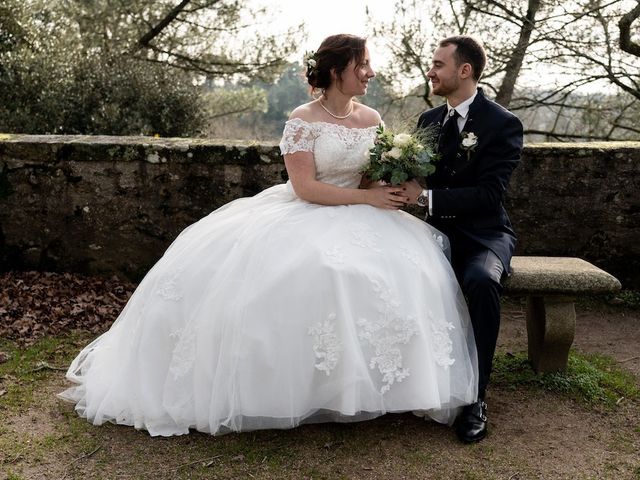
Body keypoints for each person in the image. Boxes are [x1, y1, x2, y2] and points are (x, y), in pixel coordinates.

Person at [59, 34, 478, 437]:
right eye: (362, 64)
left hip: (363, 215)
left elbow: (368, 179)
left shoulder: (372, 120)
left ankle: (384, 386)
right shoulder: (302, 120)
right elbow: (306, 189)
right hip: (307, 211)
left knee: (406, 270)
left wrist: (385, 188)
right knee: (321, 270)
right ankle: (294, 387)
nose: (370, 72)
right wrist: (365, 199)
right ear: (337, 71)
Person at [402, 35, 524, 443]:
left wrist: (425, 197)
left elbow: (490, 194)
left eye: (438, 64)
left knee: (481, 281)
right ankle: (412, 381)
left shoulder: (502, 123)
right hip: (433, 235)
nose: (431, 71)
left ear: (464, 70)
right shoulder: (427, 122)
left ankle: (476, 397)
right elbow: (415, 177)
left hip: (485, 235)